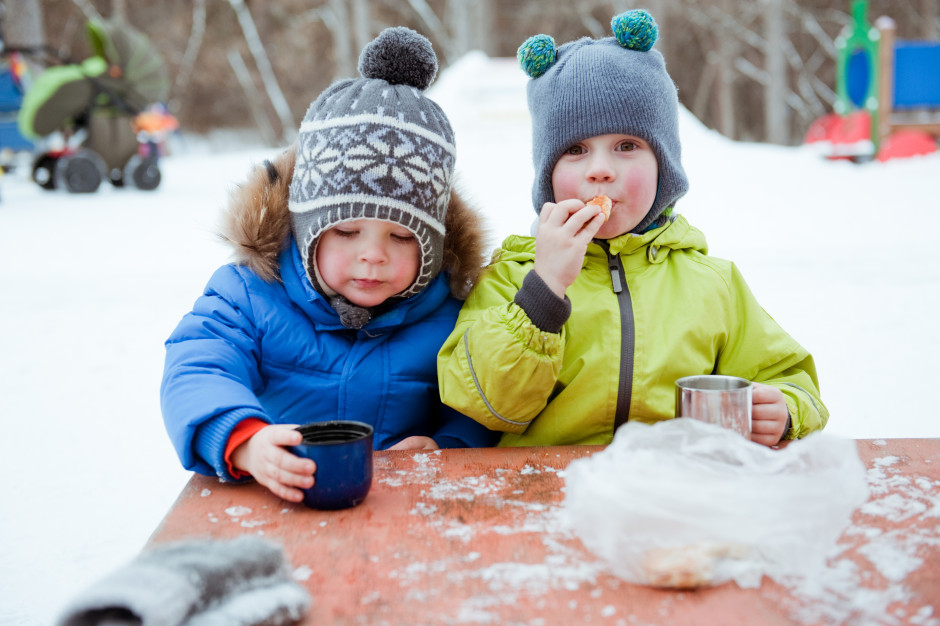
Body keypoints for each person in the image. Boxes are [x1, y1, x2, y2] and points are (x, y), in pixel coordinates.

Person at [437, 10, 828, 448]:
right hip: (547, 497)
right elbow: (483, 402)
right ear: (547, 176)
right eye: (575, 150)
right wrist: (544, 290)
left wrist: (787, 408)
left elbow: (789, 376)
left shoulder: (712, 284)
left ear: (664, 166)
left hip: (670, 492)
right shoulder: (511, 279)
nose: (601, 170)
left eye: (627, 146)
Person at [161, 27, 498, 504]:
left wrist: (449, 444)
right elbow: (197, 366)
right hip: (280, 498)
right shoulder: (251, 294)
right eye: (345, 232)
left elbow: (484, 401)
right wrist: (245, 441)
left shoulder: (453, 312)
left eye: (402, 236)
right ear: (304, 229)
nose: (373, 255)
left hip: (411, 509)